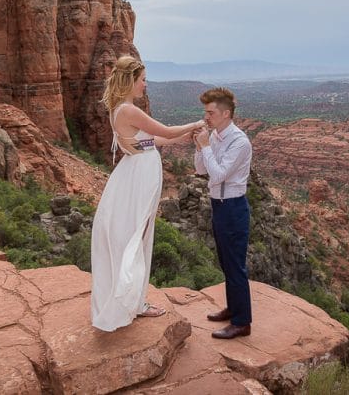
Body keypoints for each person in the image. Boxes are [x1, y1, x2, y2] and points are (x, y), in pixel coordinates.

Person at [90, 56, 204, 332]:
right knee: (138, 236)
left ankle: (132, 299)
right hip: (140, 178)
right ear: (131, 80)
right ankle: (134, 303)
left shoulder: (119, 109)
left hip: (135, 173)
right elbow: (163, 130)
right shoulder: (128, 110)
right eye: (142, 79)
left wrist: (182, 138)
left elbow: (152, 141)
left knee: (136, 235)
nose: (145, 84)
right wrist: (194, 124)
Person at [193, 87, 253, 339]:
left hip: (233, 207)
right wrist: (200, 147)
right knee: (226, 262)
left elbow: (218, 175)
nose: (206, 117)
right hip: (218, 205)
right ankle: (233, 308)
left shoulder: (239, 141)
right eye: (205, 112)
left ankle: (242, 322)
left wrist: (206, 146)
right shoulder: (216, 137)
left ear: (226, 113)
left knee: (235, 265)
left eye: (210, 112)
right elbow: (200, 170)